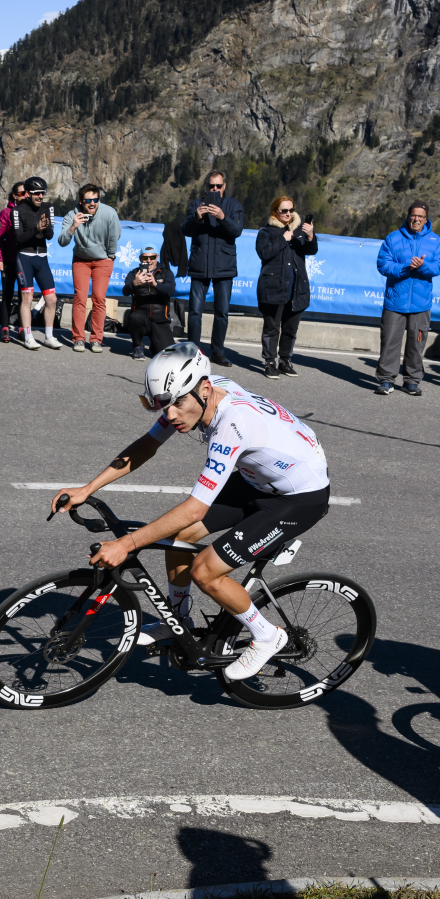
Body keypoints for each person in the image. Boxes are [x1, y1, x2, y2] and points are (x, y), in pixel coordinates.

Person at [53, 342, 331, 682]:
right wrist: (87, 488)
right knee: (176, 540)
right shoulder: (195, 394)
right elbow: (147, 445)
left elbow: (194, 509)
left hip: (299, 498)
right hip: (258, 480)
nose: (170, 415)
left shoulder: (232, 425)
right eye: (164, 406)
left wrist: (125, 545)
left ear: (203, 389)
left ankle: (268, 636)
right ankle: (179, 621)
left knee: (205, 571)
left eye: (177, 404)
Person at [373, 201, 438, 396]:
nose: (416, 219)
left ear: (426, 220)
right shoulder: (393, 238)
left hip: (421, 304)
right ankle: (386, 380)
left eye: (421, 216)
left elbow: (438, 266)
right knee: (390, 342)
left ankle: (411, 381)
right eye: (413, 215)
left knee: (416, 344)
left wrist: (422, 267)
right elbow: (383, 265)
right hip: (395, 302)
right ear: (408, 216)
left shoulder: (435, 240)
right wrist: (406, 268)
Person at [181, 170, 244, 366]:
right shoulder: (196, 204)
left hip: (224, 266)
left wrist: (223, 217)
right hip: (200, 265)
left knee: (222, 312)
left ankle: (217, 352)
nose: (214, 189)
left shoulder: (233, 205)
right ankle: (193, 352)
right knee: (195, 311)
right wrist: (197, 218)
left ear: (224, 186)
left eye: (218, 186)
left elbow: (237, 231)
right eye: (211, 186)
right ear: (206, 187)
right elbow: (186, 230)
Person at [254, 196, 317, 380]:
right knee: (271, 328)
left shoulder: (299, 231)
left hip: (296, 288)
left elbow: (311, 250)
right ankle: (269, 362)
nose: (288, 214)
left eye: (291, 210)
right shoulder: (265, 232)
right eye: (284, 211)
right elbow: (264, 253)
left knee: (290, 329)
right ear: (275, 212)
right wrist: (283, 239)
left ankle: (285, 361)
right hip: (273, 288)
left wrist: (311, 236)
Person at [57, 182, 121, 353]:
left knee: (99, 298)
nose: (92, 203)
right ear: (80, 202)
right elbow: (62, 241)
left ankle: (96, 339)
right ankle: (78, 338)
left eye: (95, 199)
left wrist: (110, 255)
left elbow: (115, 235)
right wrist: (73, 227)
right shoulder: (72, 215)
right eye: (88, 200)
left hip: (103, 261)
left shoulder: (109, 213)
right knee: (80, 297)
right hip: (81, 260)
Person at [12, 176, 61, 350]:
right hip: (24, 257)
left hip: (42, 259)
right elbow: (19, 238)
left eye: (43, 193)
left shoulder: (48, 208)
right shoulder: (18, 210)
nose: (41, 197)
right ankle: (28, 336)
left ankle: (48, 336)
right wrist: (36, 229)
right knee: (27, 298)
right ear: (27, 193)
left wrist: (45, 228)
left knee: (51, 299)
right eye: (37, 194)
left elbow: (49, 236)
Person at [123, 246, 176, 359]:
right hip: (141, 317)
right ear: (140, 259)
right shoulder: (134, 273)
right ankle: (137, 346)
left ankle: (155, 345)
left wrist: (155, 284)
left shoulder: (166, 272)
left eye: (152, 257)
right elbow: (125, 291)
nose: (149, 261)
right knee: (135, 318)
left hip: (160, 320)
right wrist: (134, 284)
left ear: (157, 257)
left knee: (168, 356)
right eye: (145, 258)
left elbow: (170, 291)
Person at [0, 182, 28, 343]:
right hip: (8, 260)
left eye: (26, 193)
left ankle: (22, 329)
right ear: (14, 195)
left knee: (24, 297)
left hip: (25, 261)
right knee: (7, 296)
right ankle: (5, 329)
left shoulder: (29, 211)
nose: (25, 195)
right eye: (21, 193)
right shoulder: (6, 212)